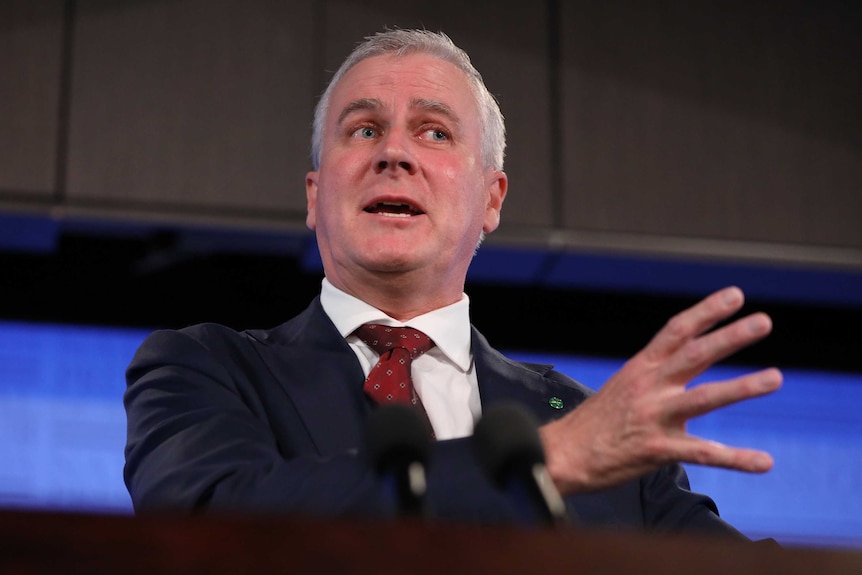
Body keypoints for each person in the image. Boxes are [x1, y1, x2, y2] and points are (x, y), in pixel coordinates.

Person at [123, 28, 782, 539]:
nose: (395, 153)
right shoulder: (204, 366)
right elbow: (201, 526)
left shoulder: (589, 422)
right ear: (315, 193)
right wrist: (542, 463)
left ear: (492, 198)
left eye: (434, 131)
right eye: (364, 129)